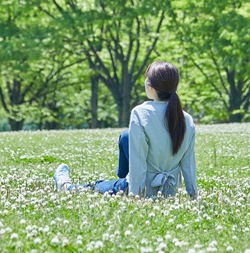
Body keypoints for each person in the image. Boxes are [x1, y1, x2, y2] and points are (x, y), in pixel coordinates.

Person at [53, 61, 198, 198]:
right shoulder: (186, 118)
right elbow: (188, 165)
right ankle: (120, 178)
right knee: (126, 136)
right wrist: (193, 195)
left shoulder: (141, 113)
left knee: (98, 186)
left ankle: (65, 186)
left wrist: (135, 195)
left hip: (142, 188)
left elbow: (138, 161)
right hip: (169, 190)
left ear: (150, 86)